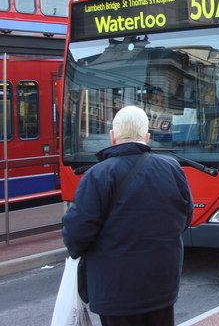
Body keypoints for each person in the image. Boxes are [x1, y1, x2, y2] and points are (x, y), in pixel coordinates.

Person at [62, 106, 193, 325]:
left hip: (115, 290)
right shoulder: (171, 168)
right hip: (162, 284)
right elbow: (185, 218)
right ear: (147, 137)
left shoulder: (98, 175)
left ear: (112, 136)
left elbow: (76, 233)